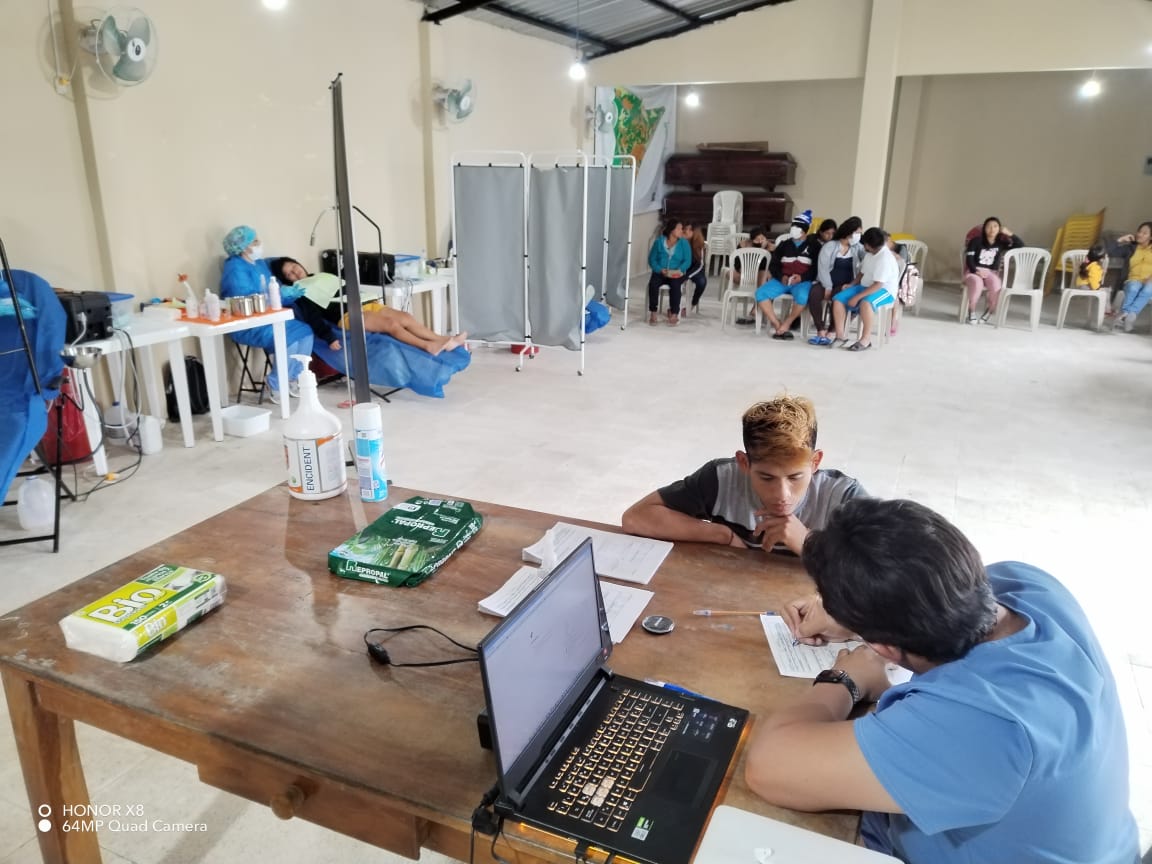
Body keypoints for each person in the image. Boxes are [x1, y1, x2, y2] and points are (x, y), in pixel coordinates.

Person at [746, 498, 1139, 864]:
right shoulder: (1030, 586)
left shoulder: (980, 727)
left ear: (884, 648)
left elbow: (769, 767)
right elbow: (935, 594)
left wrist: (846, 678)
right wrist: (852, 618)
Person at [620, 395, 865, 557]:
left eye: (795, 477)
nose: (782, 495)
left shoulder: (843, 496)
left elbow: (883, 573)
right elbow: (636, 518)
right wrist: (721, 535)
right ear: (744, 463)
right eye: (767, 478)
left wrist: (808, 544)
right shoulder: (720, 479)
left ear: (815, 462)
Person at [267, 257, 467, 356]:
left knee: (406, 318)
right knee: (391, 324)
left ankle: (444, 340)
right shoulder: (299, 292)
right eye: (289, 274)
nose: (295, 273)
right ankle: (428, 346)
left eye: (294, 267)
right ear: (287, 280)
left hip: (365, 303)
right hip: (346, 315)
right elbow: (312, 316)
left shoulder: (322, 276)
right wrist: (328, 336)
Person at [219, 226, 314, 403]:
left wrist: (288, 294)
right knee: (289, 338)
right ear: (243, 247)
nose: (259, 244)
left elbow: (274, 288)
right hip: (248, 323)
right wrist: (276, 295)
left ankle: (292, 377)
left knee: (305, 332)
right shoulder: (235, 269)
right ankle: (275, 383)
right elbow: (246, 298)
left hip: (269, 318)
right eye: (255, 241)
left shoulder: (260, 264)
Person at [829, 227, 898, 351]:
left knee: (866, 303)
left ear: (870, 245)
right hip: (865, 286)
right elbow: (862, 272)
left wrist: (857, 297)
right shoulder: (870, 254)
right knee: (838, 299)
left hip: (884, 290)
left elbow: (878, 285)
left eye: (865, 243)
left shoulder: (885, 259)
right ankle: (840, 336)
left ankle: (865, 340)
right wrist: (852, 284)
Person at [756, 210, 821, 340]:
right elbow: (774, 265)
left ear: (804, 232)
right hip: (782, 281)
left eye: (797, 228)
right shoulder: (784, 245)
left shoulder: (814, 246)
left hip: (802, 282)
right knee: (760, 293)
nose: (793, 230)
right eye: (793, 227)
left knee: (802, 297)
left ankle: (787, 324)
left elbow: (816, 268)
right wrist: (781, 276)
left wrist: (802, 278)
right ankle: (777, 324)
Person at [809, 218, 863, 345]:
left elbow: (870, 256)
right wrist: (827, 286)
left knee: (838, 298)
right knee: (814, 294)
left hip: (845, 284)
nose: (859, 236)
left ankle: (832, 330)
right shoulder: (830, 246)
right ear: (849, 232)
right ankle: (820, 329)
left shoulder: (858, 247)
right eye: (857, 233)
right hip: (826, 282)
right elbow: (823, 268)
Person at [963, 216, 1024, 324]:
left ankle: (989, 311)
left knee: (996, 285)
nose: (992, 229)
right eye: (989, 226)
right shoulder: (976, 241)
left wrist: (1010, 234)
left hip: (990, 273)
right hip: (973, 271)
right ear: (984, 229)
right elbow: (969, 260)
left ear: (999, 229)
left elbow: (1020, 245)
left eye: (995, 226)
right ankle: (971, 311)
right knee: (977, 284)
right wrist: (976, 271)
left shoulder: (1000, 243)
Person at [1108, 222, 1152, 332]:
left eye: (1144, 233)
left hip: (1150, 281)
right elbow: (1110, 252)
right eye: (1139, 231)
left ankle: (1126, 314)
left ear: (1151, 237)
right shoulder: (1130, 248)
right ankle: (1130, 317)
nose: (1140, 234)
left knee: (1148, 289)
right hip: (1133, 280)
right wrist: (1121, 240)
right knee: (1133, 288)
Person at [647, 217, 691, 326]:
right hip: (661, 272)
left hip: (676, 272)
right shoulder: (659, 242)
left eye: (682, 229)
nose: (682, 231)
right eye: (679, 229)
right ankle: (653, 312)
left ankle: (674, 313)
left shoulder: (684, 243)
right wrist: (659, 269)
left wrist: (679, 270)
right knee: (653, 284)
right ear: (672, 230)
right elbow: (652, 259)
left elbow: (687, 260)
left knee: (675, 285)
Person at [681, 220, 708, 315]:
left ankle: (692, 304)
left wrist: (687, 276)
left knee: (702, 282)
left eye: (689, 229)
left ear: (694, 232)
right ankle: (674, 306)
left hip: (696, 270)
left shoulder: (699, 246)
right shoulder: (682, 242)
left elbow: (700, 265)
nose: (685, 231)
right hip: (683, 268)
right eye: (685, 229)